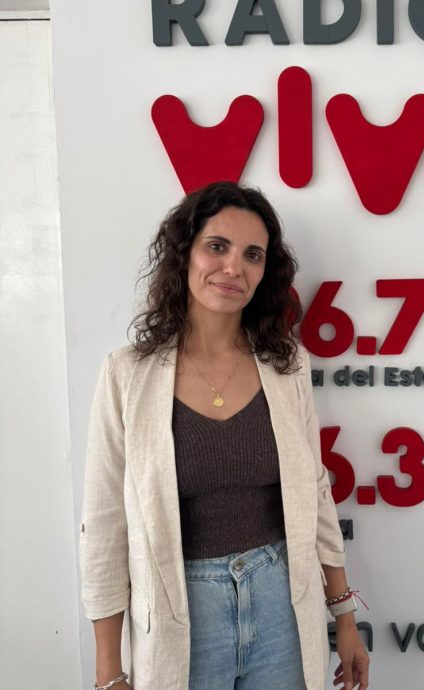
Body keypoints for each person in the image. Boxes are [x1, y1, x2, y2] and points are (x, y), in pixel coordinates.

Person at [80, 181, 370, 690]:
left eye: (252, 254)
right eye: (217, 246)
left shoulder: (288, 365)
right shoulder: (127, 374)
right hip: (181, 616)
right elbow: (105, 523)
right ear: (185, 254)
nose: (233, 267)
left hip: (282, 605)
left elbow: (314, 492)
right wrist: (108, 670)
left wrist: (344, 617)